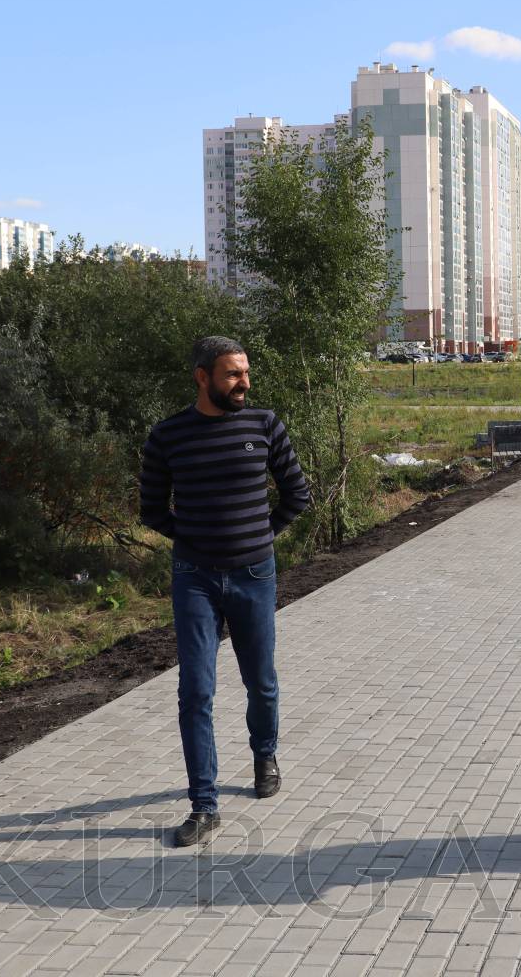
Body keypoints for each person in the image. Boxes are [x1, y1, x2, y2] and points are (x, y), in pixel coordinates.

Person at [140, 336, 311, 846]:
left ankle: (265, 755)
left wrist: (259, 536)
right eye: (233, 374)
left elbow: (297, 493)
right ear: (203, 377)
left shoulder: (264, 425)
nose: (244, 383)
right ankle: (204, 805)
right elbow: (151, 510)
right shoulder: (168, 435)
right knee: (196, 691)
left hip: (254, 576)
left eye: (246, 372)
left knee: (261, 682)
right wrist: (195, 540)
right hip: (194, 579)